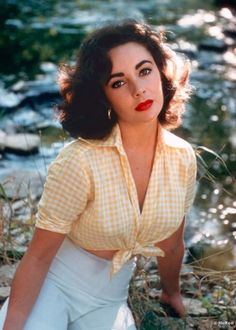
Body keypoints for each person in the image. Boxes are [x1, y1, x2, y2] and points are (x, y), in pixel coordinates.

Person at [0, 19, 197, 330]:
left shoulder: (183, 157)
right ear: (103, 96)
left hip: (109, 302)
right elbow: (37, 258)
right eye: (118, 82)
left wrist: (172, 293)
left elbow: (172, 244)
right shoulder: (79, 161)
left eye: (144, 71)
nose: (138, 89)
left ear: (161, 73)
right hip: (54, 287)